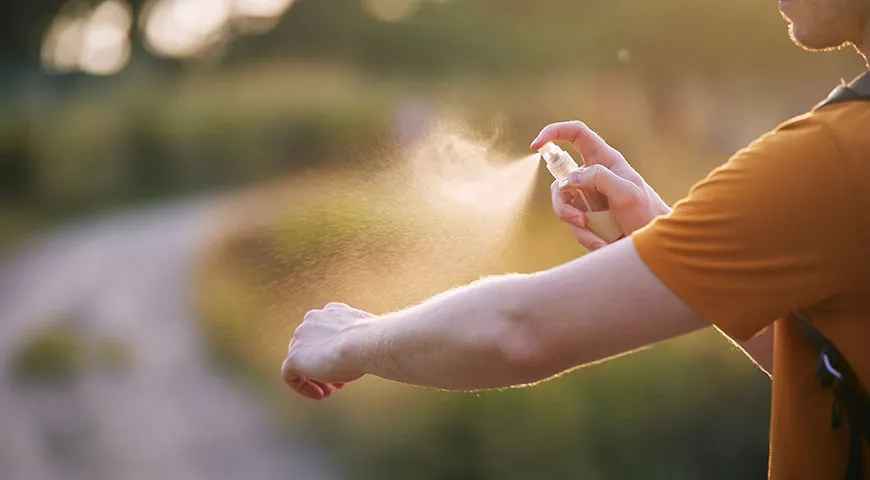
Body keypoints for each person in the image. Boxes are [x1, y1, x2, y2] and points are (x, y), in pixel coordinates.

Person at [281, 0, 870, 478]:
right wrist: (661, 240)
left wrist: (351, 338)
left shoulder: (836, 156)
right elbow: (820, 357)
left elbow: (520, 331)